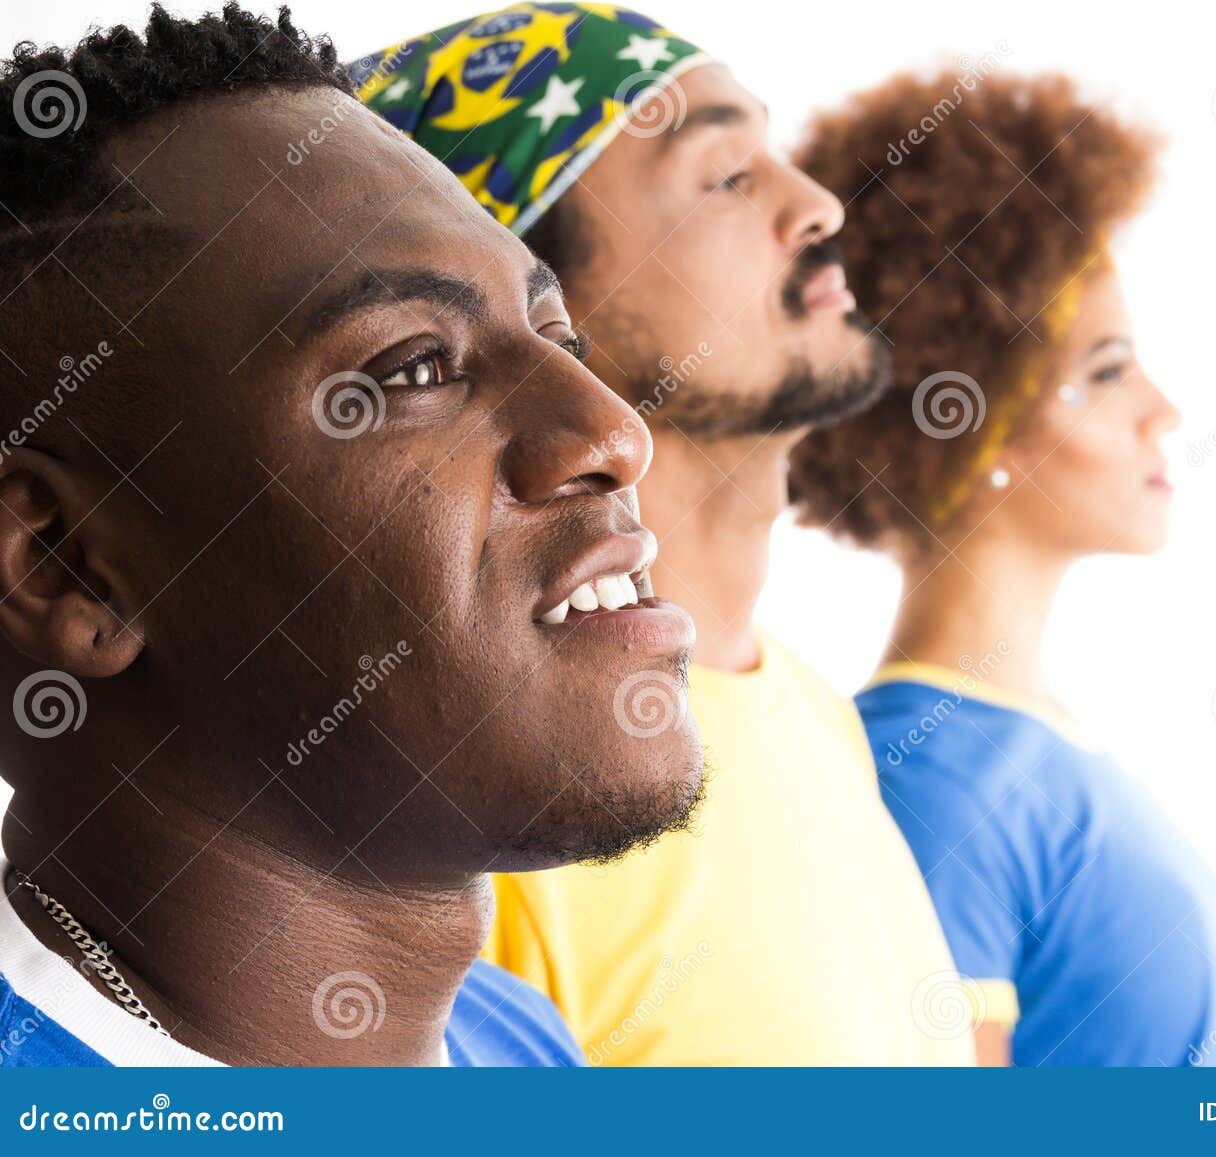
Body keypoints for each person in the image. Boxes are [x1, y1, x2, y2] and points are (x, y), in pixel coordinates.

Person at [0, 3, 704, 1067]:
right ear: (67, 564)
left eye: (560, 336)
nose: (614, 431)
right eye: (415, 366)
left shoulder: (515, 1042)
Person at [355, 4, 975, 1065]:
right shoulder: (485, 788)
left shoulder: (818, 718)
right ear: (536, 302)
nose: (821, 205)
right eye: (726, 176)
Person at [786, 70, 1216, 1067]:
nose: (1161, 407)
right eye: (1106, 370)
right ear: (973, 419)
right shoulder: (929, 776)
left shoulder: (1031, 747)